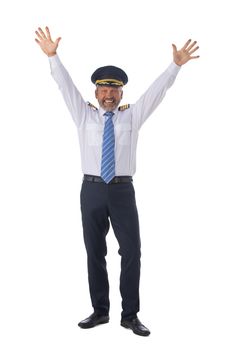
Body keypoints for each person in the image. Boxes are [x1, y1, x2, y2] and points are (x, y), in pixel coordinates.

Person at [35, 26, 199, 337]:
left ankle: (130, 315)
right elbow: (64, 86)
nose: (109, 95)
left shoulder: (132, 116)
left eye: (114, 90)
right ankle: (99, 311)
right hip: (92, 189)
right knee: (94, 251)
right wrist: (53, 57)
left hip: (123, 190)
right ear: (96, 93)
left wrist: (175, 65)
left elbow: (157, 91)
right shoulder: (83, 115)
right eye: (103, 90)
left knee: (132, 251)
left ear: (121, 93)